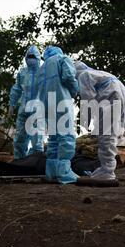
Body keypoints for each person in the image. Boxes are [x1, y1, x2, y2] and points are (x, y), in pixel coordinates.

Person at [75, 61, 125, 181]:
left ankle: (107, 170)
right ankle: (106, 168)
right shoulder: (98, 73)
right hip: (119, 92)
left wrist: (86, 120)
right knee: (111, 131)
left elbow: (87, 99)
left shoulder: (83, 76)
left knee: (106, 133)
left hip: (109, 95)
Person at [37, 46, 78, 184]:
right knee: (66, 135)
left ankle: (51, 172)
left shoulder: (42, 67)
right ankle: (64, 172)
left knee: (53, 137)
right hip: (61, 100)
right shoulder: (62, 58)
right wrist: (74, 91)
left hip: (46, 104)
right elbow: (69, 76)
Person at [9, 45, 44, 159]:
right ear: (25, 58)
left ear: (38, 58)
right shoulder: (22, 72)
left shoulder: (44, 72)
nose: (31, 59)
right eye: (29, 56)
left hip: (38, 110)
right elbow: (17, 89)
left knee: (37, 139)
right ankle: (19, 161)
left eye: (33, 57)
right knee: (20, 138)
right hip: (23, 110)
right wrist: (12, 104)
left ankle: (35, 162)